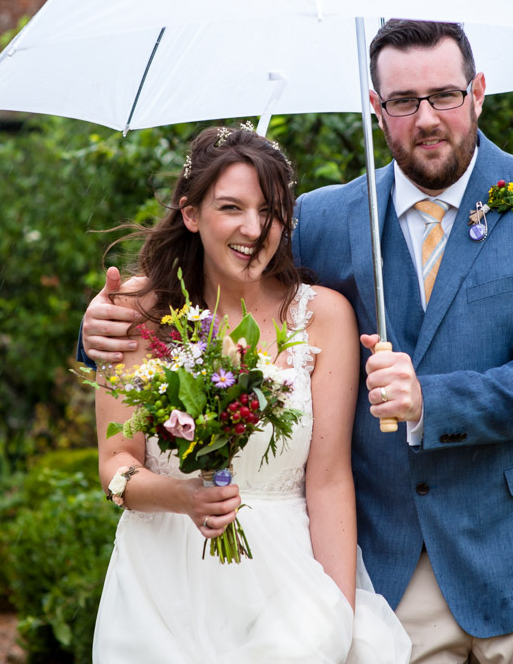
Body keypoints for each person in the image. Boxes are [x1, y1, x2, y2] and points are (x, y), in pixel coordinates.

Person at [84, 21, 513, 664]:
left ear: (477, 91)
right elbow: (223, 277)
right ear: (375, 107)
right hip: (396, 566)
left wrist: (427, 400)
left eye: (444, 95)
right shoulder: (322, 218)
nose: (426, 118)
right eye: (402, 101)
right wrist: (107, 324)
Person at [91, 125, 411, 664]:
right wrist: (182, 497)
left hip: (285, 582)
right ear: (191, 215)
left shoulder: (324, 316)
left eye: (270, 210)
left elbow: (329, 477)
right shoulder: (138, 312)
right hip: (160, 582)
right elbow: (114, 463)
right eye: (231, 208)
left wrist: (337, 610)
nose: (253, 228)